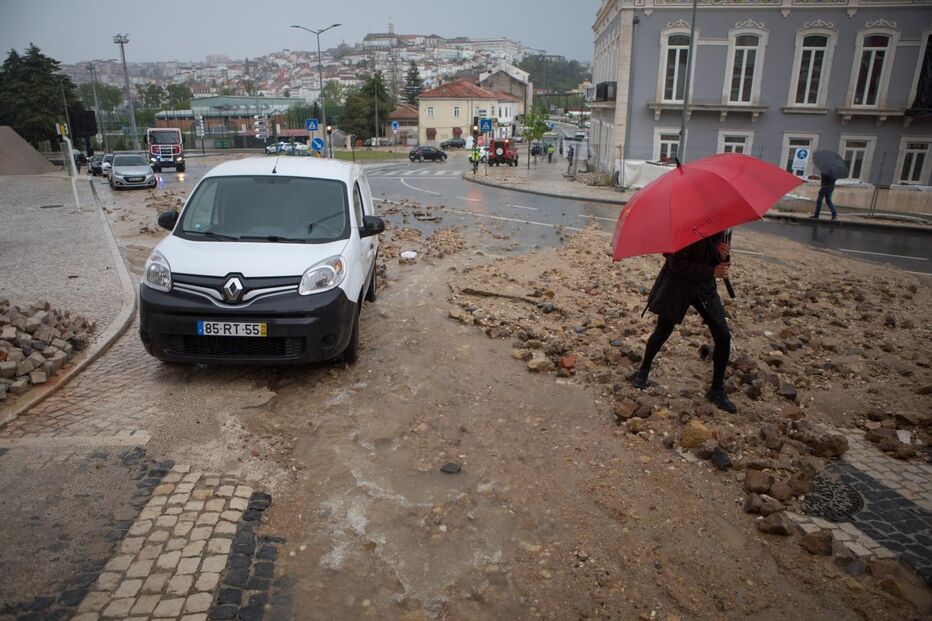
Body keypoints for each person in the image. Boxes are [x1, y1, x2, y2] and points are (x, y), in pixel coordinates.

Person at [630, 230, 737, 413]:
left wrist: (722, 256)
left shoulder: (723, 226)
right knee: (662, 332)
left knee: (723, 336)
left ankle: (717, 390)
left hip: (704, 288)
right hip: (678, 286)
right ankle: (642, 372)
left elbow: (720, 263)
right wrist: (712, 270)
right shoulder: (684, 227)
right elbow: (677, 263)